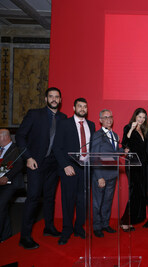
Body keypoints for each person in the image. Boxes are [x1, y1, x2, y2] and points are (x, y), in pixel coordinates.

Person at [16, 87, 67, 249]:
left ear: (60, 100)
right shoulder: (34, 114)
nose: (54, 99)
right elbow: (20, 136)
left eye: (56, 97)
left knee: (50, 198)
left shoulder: (63, 118)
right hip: (35, 162)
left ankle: (49, 227)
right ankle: (25, 236)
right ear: (45, 99)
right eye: (51, 96)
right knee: (33, 199)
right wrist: (28, 157)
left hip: (53, 165)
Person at [53, 98, 95, 245]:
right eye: (80, 106)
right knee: (68, 200)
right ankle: (67, 230)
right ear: (74, 107)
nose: (82, 109)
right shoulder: (64, 124)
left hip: (86, 168)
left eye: (85, 106)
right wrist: (65, 165)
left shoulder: (91, 125)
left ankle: (79, 228)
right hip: (69, 168)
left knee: (83, 201)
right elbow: (57, 147)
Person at [91, 109, 124, 237]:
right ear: (100, 120)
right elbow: (94, 156)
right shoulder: (97, 135)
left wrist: (123, 149)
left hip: (112, 174)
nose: (108, 119)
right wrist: (99, 177)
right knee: (97, 202)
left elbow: (113, 152)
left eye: (110, 116)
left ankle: (105, 224)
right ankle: (97, 226)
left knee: (108, 201)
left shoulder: (114, 135)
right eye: (105, 117)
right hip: (101, 175)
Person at [120, 108, 148, 231]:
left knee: (140, 194)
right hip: (132, 164)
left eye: (143, 117)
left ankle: (131, 220)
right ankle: (124, 221)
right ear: (135, 117)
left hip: (142, 165)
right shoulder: (128, 128)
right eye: (139, 117)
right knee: (134, 193)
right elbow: (124, 143)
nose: (141, 119)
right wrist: (131, 128)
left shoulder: (143, 129)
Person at [0, 129, 24, 243]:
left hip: (11, 184)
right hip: (1, 184)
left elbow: (19, 165)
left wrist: (7, 177)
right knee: (3, 209)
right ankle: (6, 237)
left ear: (4, 137)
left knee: (1, 206)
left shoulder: (16, 149)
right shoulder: (1, 150)